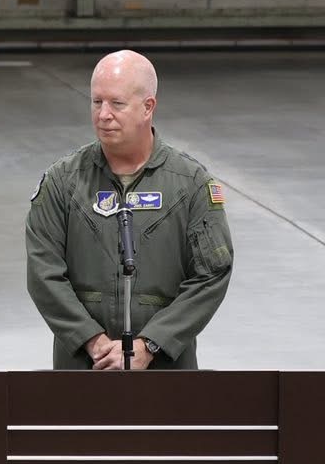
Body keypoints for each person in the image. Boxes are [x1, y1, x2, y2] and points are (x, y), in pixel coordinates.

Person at [26, 51, 232, 370]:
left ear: (148, 107)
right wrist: (92, 341)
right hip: (83, 368)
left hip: (165, 371)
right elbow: (44, 272)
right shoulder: (63, 182)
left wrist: (151, 344)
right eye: (97, 102)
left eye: (116, 104)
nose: (103, 114)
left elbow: (211, 275)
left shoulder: (190, 184)